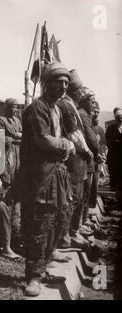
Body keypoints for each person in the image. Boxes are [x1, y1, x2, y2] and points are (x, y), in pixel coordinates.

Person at [20, 62, 75, 297]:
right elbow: (44, 140)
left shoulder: (56, 109)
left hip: (57, 175)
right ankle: (33, 276)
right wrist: (67, 145)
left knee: (57, 222)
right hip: (39, 176)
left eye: (66, 83)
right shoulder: (37, 108)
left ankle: (43, 269)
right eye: (58, 82)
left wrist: (65, 146)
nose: (63, 86)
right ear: (47, 83)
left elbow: (62, 137)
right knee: (38, 225)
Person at [56, 69, 93, 248]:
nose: (81, 95)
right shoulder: (66, 105)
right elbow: (74, 133)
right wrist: (87, 151)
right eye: (79, 92)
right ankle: (64, 236)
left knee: (76, 198)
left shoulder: (70, 105)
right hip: (73, 159)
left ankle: (69, 233)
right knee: (71, 199)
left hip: (78, 160)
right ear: (73, 91)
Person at [0, 98, 22, 248]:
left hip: (18, 158)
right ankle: (3, 235)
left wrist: (17, 138)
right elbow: (0, 138)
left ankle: (16, 232)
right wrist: (16, 138)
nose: (14, 109)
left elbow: (23, 136)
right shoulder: (1, 120)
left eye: (16, 107)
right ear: (6, 107)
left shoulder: (17, 120)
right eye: (12, 107)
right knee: (6, 195)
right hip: (6, 158)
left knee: (16, 196)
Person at [78, 88, 99, 231]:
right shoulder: (83, 115)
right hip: (86, 159)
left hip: (89, 159)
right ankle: (78, 225)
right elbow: (92, 141)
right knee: (83, 193)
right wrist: (97, 151)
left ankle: (82, 221)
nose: (93, 105)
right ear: (85, 101)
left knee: (85, 193)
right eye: (91, 102)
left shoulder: (84, 114)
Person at [89, 102, 106, 208]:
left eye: (98, 112)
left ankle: (92, 206)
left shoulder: (100, 129)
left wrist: (103, 154)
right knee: (87, 186)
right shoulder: (87, 127)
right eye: (94, 111)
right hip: (88, 160)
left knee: (95, 184)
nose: (96, 114)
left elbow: (103, 144)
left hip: (97, 161)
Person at [106, 107, 122, 210]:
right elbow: (108, 142)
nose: (120, 119)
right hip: (115, 159)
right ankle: (119, 202)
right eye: (118, 117)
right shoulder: (111, 128)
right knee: (117, 182)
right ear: (115, 117)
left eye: (121, 117)